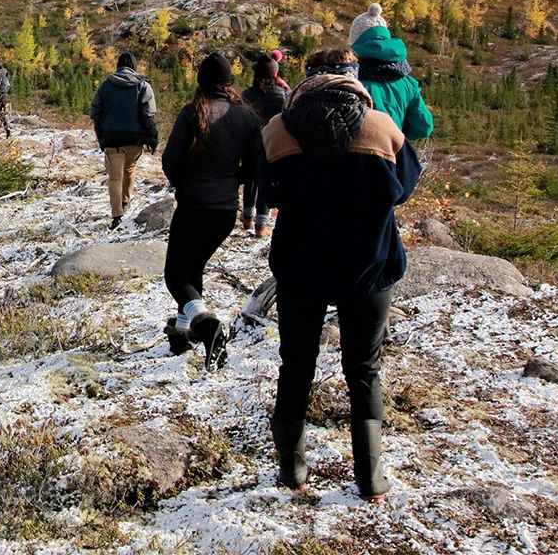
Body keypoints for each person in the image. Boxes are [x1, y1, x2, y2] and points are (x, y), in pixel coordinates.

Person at [261, 47, 421, 502]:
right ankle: (370, 478)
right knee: (364, 369)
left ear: (307, 78)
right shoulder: (382, 128)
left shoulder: (277, 131)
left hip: (299, 268)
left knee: (296, 366)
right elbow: (404, 189)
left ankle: (292, 471)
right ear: (354, 78)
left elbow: (268, 192)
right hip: (369, 266)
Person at [160, 53, 261, 370]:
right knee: (193, 270)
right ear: (231, 84)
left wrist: (185, 183)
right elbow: (257, 167)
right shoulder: (247, 118)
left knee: (176, 276)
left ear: (201, 83)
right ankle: (181, 334)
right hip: (224, 211)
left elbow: (170, 162)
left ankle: (206, 326)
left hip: (193, 206)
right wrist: (232, 180)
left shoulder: (191, 114)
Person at [90, 52, 159, 229]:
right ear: (134, 66)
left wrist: (101, 136)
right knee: (129, 169)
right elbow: (148, 115)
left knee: (114, 178)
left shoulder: (105, 86)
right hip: (135, 139)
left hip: (112, 139)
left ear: (118, 66)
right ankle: (126, 201)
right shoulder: (143, 86)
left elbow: (95, 112)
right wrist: (152, 137)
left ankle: (117, 215)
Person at [351, 23, 434, 140]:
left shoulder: (349, 78)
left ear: (356, 41)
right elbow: (424, 127)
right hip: (393, 153)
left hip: (354, 154)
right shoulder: (408, 83)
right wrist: (397, 138)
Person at [241, 55, 289, 236]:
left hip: (250, 141)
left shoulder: (246, 94)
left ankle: (247, 217)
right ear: (275, 73)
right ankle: (261, 225)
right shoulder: (281, 94)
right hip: (272, 141)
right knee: (266, 180)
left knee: (250, 178)